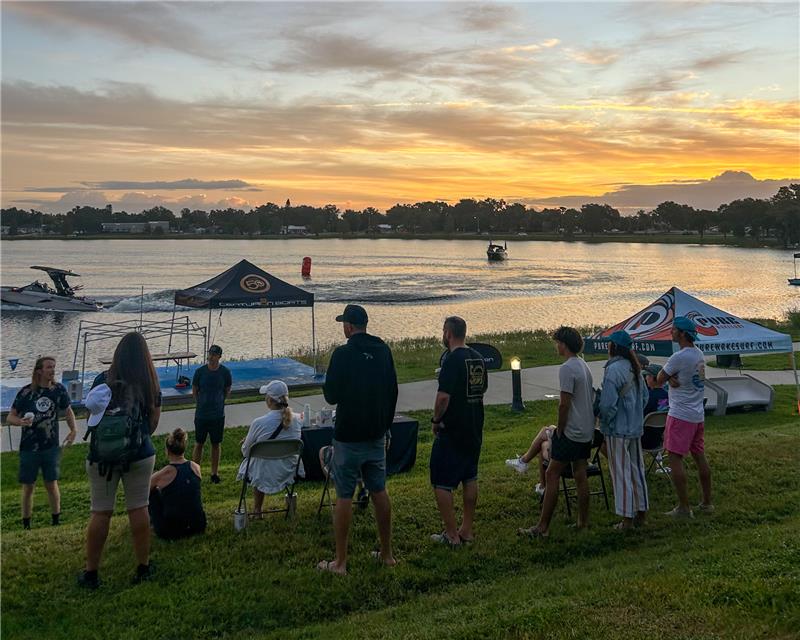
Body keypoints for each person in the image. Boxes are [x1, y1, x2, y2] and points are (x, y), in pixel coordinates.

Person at [317, 304, 398, 575]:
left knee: (343, 494)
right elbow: (392, 391)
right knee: (379, 490)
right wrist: (385, 425)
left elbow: (331, 396)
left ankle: (340, 562)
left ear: (349, 326)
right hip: (375, 434)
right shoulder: (383, 350)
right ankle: (386, 555)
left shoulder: (342, 354)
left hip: (348, 436)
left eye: (343, 324)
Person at [79, 332, 161, 589]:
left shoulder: (101, 380)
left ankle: (91, 572)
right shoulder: (149, 382)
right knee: (138, 508)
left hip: (101, 457)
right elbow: (153, 423)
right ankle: (143, 566)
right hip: (139, 453)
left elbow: (91, 415)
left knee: (100, 512)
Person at [519, 326, 594, 539]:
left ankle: (542, 527)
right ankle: (583, 522)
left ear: (563, 345)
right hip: (586, 430)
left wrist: (560, 429)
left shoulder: (567, 368)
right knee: (580, 473)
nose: (556, 346)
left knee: (552, 473)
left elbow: (564, 404)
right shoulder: (583, 365)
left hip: (571, 431)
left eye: (557, 343)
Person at [430, 316, 488, 546]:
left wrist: (436, 420)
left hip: (452, 429)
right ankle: (467, 529)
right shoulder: (478, 358)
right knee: (469, 476)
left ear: (448, 333)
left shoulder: (452, 360)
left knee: (440, 480)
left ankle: (451, 534)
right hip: (474, 426)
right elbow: (482, 389)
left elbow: (443, 397)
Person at [7, 356, 77, 529]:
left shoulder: (58, 390)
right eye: (49, 367)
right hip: (29, 448)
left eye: (54, 367)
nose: (53, 370)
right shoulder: (26, 392)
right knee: (28, 487)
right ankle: (26, 524)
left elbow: (68, 411)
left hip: (50, 446)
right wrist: (20, 422)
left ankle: (55, 521)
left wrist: (73, 430)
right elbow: (10, 416)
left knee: (51, 484)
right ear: (39, 371)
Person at [656, 316, 713, 518]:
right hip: (697, 414)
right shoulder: (699, 355)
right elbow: (695, 379)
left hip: (680, 414)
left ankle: (683, 507)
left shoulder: (678, 357)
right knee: (699, 457)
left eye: (673, 329)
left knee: (674, 458)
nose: (671, 332)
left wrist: (668, 377)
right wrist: (672, 377)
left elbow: (658, 379)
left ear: (681, 333)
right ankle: (707, 502)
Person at [597, 330, 649, 529]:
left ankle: (627, 519)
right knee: (637, 470)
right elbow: (644, 398)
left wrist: (605, 420)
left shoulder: (613, 370)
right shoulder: (634, 368)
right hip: (635, 427)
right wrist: (634, 414)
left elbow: (608, 404)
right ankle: (641, 513)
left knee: (621, 472)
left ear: (613, 347)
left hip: (617, 430)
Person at [236, 380, 303, 515]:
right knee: (262, 462)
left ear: (270, 400)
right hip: (288, 469)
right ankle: (289, 506)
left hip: (262, 472)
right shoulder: (297, 420)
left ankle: (257, 509)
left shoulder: (259, 423)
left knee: (259, 462)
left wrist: (249, 444)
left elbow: (246, 451)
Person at [149, 428, 206, 540]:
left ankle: (151, 523)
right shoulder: (196, 467)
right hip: (198, 525)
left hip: (171, 531)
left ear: (167, 451)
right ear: (184, 448)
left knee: (153, 493)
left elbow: (144, 489)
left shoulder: (165, 473)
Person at [191, 345, 232, 484]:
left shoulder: (225, 372)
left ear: (219, 356)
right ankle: (195, 471)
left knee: (216, 443)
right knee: (199, 443)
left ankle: (214, 473)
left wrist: (220, 402)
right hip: (201, 415)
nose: (211, 357)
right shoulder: (200, 372)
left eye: (214, 355)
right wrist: (200, 403)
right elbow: (195, 390)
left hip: (218, 415)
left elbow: (227, 389)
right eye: (210, 354)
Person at [505, 425, 555, 496]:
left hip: (564, 458)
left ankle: (522, 462)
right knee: (546, 437)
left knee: (544, 436)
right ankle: (522, 462)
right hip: (574, 455)